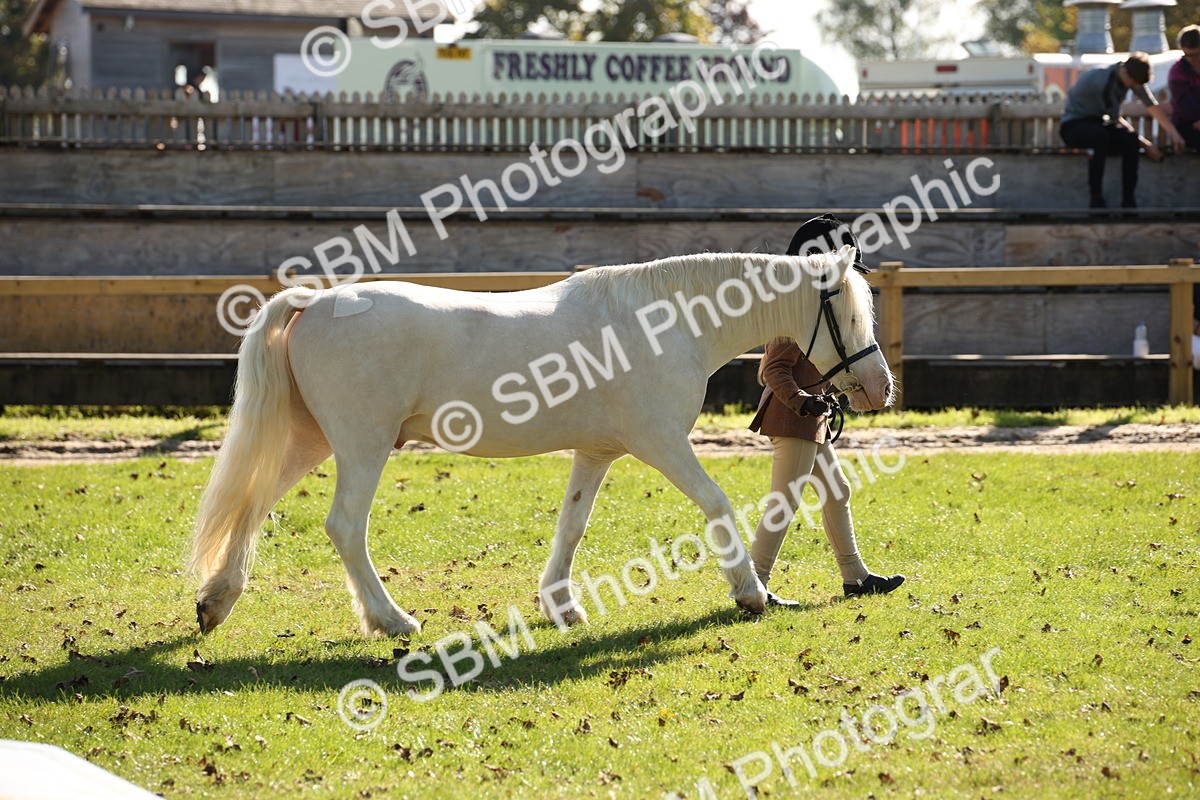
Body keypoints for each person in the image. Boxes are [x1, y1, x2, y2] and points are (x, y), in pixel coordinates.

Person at [747, 215, 904, 608]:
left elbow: (821, 362)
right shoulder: (793, 311)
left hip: (809, 416)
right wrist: (802, 400)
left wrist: (830, 392)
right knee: (784, 502)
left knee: (837, 491)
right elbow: (773, 369)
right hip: (793, 417)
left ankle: (856, 577)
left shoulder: (814, 310)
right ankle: (756, 583)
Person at [1059, 52, 1187, 208]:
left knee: (1130, 140)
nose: (1134, 88)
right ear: (1125, 72)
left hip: (1098, 124)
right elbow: (1115, 119)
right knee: (1099, 137)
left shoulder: (1130, 75)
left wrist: (1174, 134)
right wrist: (1146, 145)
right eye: (1133, 84)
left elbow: (1151, 105)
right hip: (1074, 125)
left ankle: (1128, 200)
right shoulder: (1104, 80)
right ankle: (1096, 198)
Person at [1169, 25, 1200, 152]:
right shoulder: (1178, 71)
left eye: (1196, 54)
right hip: (1188, 124)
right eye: (1187, 55)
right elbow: (1185, 105)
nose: (1191, 59)